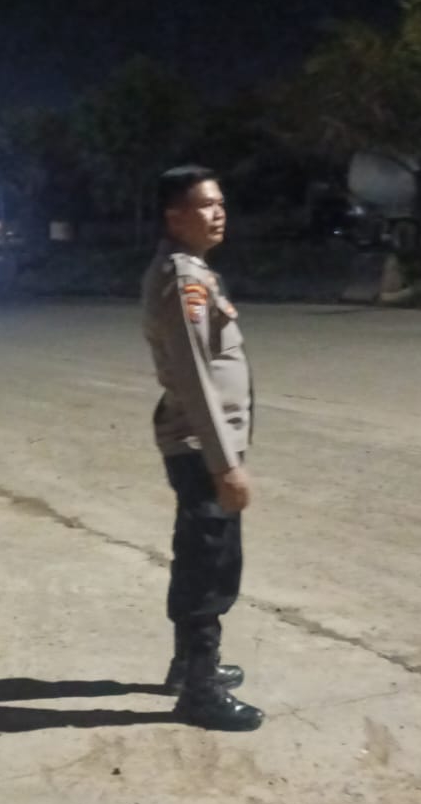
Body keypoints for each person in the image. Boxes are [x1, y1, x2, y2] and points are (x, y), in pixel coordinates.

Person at [140, 165, 265, 732]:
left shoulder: (190, 270)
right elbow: (194, 377)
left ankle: (188, 665)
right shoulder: (182, 279)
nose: (218, 214)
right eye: (205, 206)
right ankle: (200, 689)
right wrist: (225, 464)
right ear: (174, 216)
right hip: (200, 446)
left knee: (199, 555)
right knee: (209, 566)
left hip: (200, 443)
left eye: (221, 203)